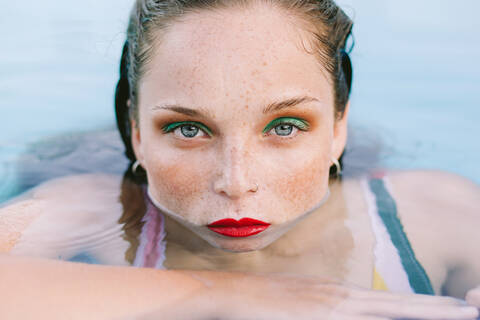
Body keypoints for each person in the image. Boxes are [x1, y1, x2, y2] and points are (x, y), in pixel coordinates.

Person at [1, 0, 479, 319]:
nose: (236, 181)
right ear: (136, 133)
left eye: (285, 126)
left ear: (338, 126)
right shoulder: (93, 209)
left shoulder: (432, 214)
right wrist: (234, 292)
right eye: (187, 129)